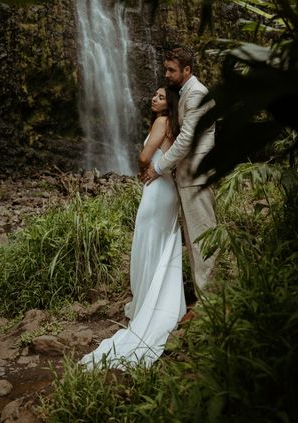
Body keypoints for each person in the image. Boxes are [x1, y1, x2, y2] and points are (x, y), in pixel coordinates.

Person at [80, 86, 186, 369]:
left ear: (170, 103)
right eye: (154, 94)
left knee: (148, 244)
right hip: (165, 189)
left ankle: (148, 305)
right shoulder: (171, 124)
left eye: (161, 96)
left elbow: (143, 156)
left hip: (157, 191)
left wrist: (144, 167)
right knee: (162, 245)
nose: (154, 98)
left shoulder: (162, 122)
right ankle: (164, 302)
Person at [141, 47, 216, 296]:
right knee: (194, 239)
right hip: (188, 178)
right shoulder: (185, 93)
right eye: (166, 69)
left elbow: (186, 139)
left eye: (172, 70)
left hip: (196, 178)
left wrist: (158, 168)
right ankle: (204, 297)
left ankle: (210, 302)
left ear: (187, 70)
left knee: (202, 238)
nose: (167, 74)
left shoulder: (196, 94)